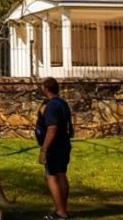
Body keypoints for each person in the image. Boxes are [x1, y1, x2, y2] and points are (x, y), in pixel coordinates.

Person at [36, 77, 73, 220]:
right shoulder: (63, 103)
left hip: (54, 146)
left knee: (51, 177)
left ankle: (60, 212)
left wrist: (44, 149)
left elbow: (52, 128)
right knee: (61, 174)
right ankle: (63, 209)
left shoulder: (51, 106)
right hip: (64, 144)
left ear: (46, 89)